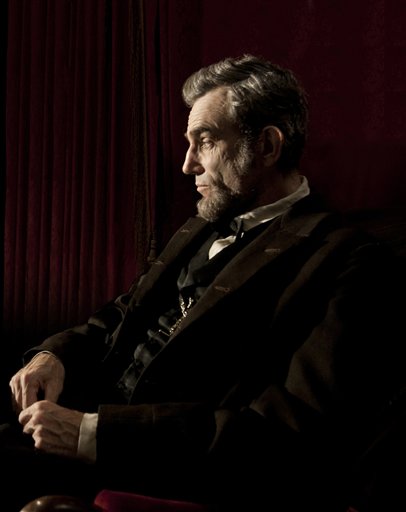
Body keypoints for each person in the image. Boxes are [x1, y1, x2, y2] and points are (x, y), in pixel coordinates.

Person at [1, 54, 404, 512]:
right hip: (71, 418)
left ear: (267, 146)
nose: (187, 165)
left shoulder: (348, 259)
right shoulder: (203, 222)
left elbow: (288, 432)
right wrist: (53, 355)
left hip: (152, 472)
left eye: (205, 142)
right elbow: (123, 313)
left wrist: (92, 433)